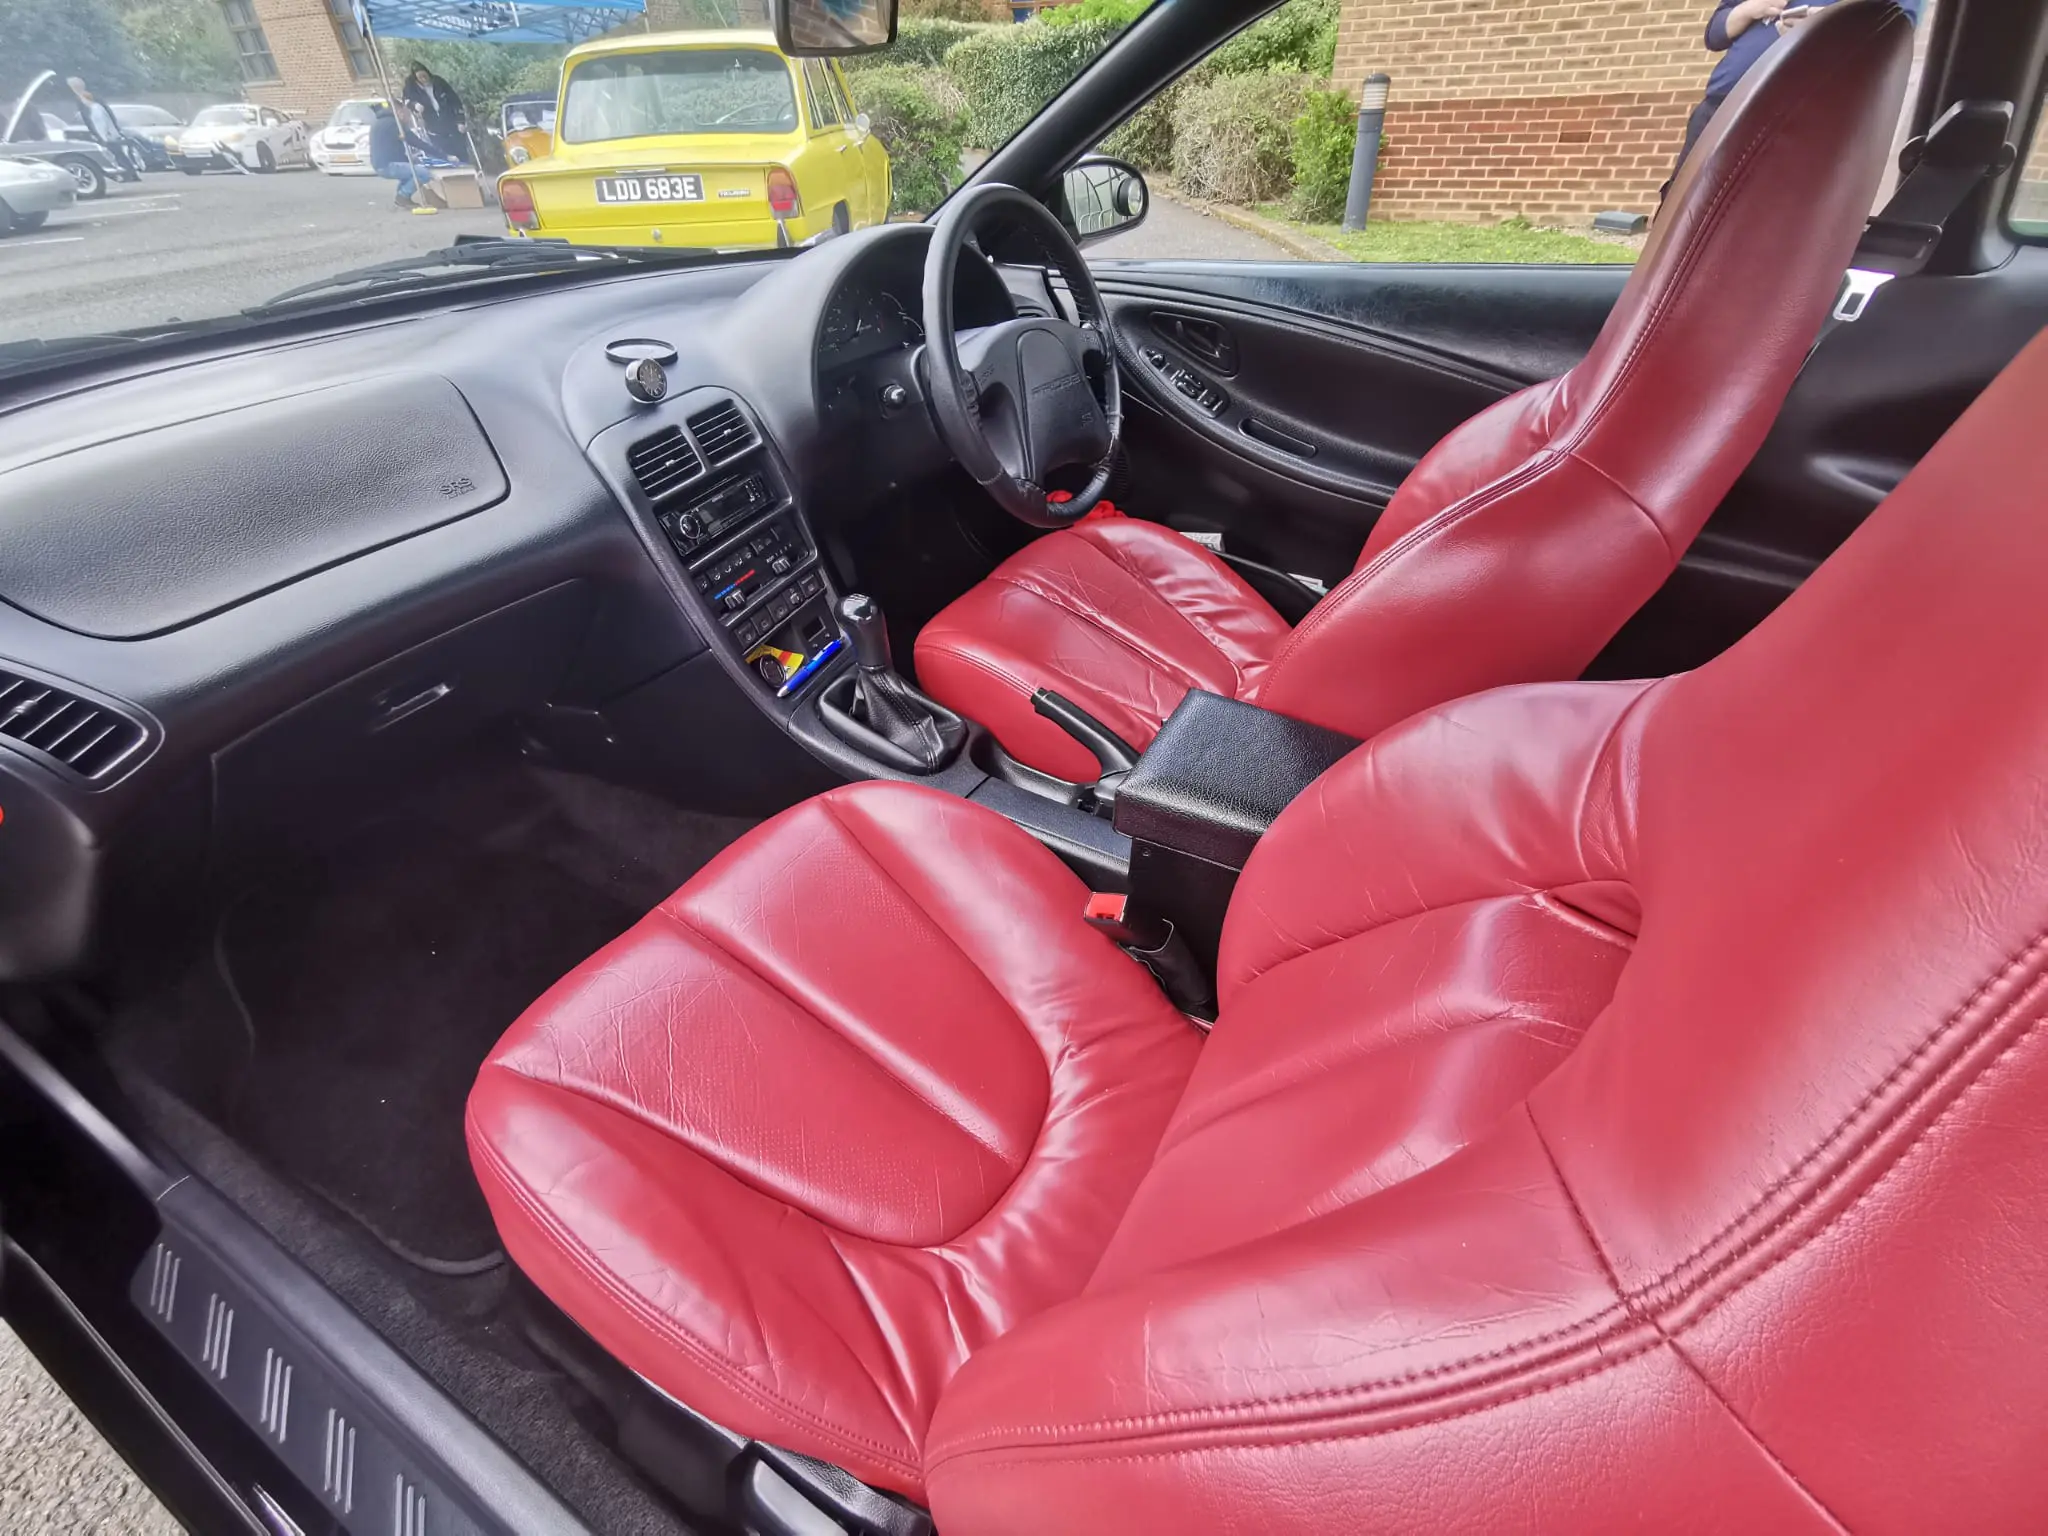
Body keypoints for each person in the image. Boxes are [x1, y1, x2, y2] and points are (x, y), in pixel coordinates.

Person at [1664, 0, 1922, 190]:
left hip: (1799, 117)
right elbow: (1715, 33)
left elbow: (1897, 28)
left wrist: (1826, 23)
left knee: (1756, 216)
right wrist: (1748, 9)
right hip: (1720, 106)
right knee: (1678, 207)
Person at [65, 76, 143, 182]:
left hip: (106, 133)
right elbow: (105, 116)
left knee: (114, 153)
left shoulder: (92, 106)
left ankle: (128, 174)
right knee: (117, 153)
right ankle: (130, 174)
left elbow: (97, 121)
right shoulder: (92, 101)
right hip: (108, 132)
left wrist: (101, 135)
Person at [368, 102, 439, 210]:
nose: (409, 119)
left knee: (414, 166)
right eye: (408, 115)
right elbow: (416, 142)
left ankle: (401, 195)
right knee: (424, 173)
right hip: (388, 165)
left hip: (381, 163)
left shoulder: (381, 121)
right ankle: (403, 196)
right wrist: (443, 155)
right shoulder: (395, 124)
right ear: (400, 112)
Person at [401, 63, 467, 161]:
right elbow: (406, 100)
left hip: (451, 122)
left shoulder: (439, 82)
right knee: (444, 153)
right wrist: (414, 105)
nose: (424, 79)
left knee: (460, 151)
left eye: (425, 76)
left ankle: (465, 167)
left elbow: (455, 101)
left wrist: (460, 121)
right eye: (420, 77)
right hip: (433, 127)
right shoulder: (412, 87)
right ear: (416, 79)